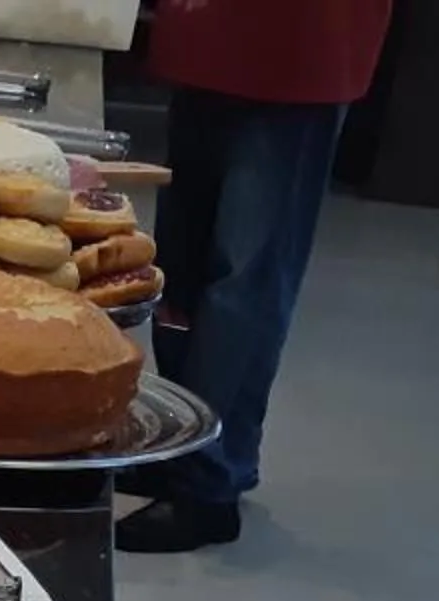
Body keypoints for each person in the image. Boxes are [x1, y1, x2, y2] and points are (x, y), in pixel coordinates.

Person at [115, 0, 395, 553]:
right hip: (207, 39)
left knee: (246, 276)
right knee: (181, 270)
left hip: (300, 46)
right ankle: (176, 446)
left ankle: (211, 479)